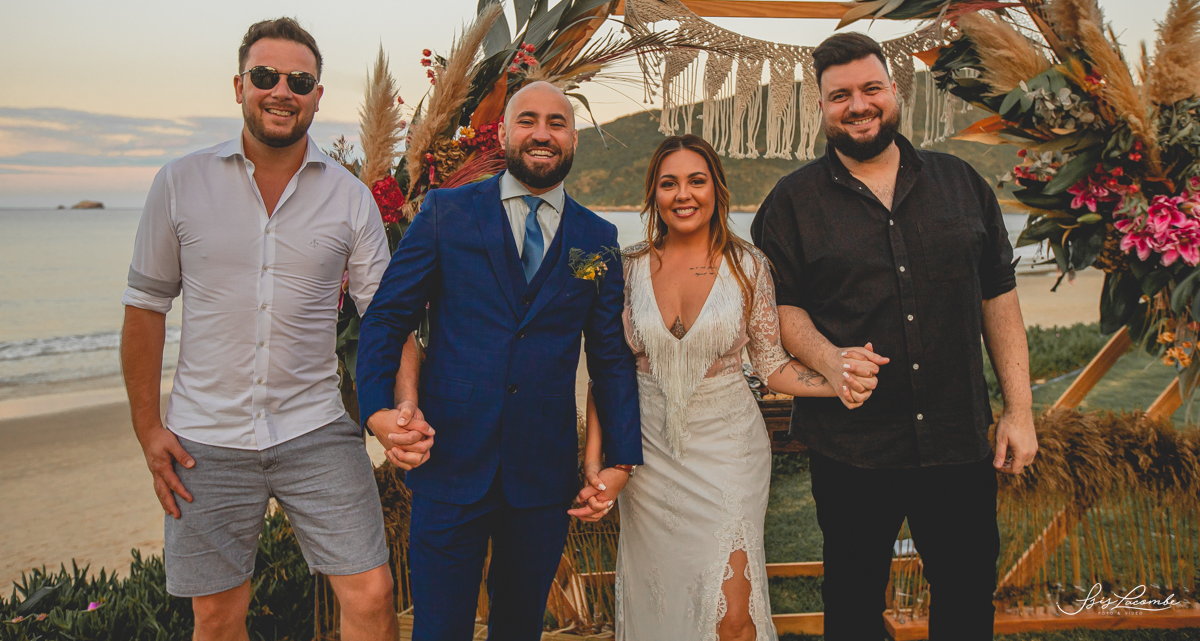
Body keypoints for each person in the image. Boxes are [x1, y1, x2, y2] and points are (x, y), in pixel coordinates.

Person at [751, 31, 1038, 640]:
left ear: (894, 91)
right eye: (840, 96)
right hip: (850, 448)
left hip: (958, 440)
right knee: (853, 609)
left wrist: (1019, 410)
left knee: (967, 600)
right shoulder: (791, 202)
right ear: (821, 107)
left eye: (871, 89)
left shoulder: (962, 183)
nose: (858, 106)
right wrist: (829, 358)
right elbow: (782, 308)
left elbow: (999, 298)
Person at [119, 17, 397, 641]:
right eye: (265, 76)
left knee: (373, 594)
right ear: (239, 85)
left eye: (299, 81)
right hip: (204, 438)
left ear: (317, 96)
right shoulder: (179, 183)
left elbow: (385, 317)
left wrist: (396, 408)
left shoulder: (351, 198)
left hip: (316, 427)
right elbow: (145, 308)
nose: (281, 91)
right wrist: (148, 429)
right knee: (217, 616)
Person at [354, 81, 643, 641]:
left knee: (520, 628)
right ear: (505, 133)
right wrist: (376, 412)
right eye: (527, 120)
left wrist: (620, 460)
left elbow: (609, 355)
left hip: (542, 474)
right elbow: (388, 317)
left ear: (574, 138)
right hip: (448, 462)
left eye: (557, 122)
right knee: (439, 630)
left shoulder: (595, 239)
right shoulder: (448, 213)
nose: (542, 133)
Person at [574, 135, 880, 641]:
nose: (683, 194)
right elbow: (608, 373)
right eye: (669, 183)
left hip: (729, 454)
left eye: (696, 181)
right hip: (647, 457)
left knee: (734, 616)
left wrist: (839, 381)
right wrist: (596, 464)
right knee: (665, 603)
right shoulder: (625, 268)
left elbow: (772, 365)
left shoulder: (748, 266)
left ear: (716, 189)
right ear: (653, 194)